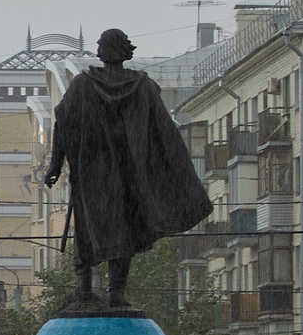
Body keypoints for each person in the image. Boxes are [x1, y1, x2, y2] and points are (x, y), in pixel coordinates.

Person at [39, 27, 212, 311]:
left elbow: (63, 123)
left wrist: (56, 164)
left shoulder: (83, 85)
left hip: (93, 175)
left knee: (86, 228)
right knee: (124, 232)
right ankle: (115, 292)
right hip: (128, 175)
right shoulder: (142, 86)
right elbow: (165, 131)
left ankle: (84, 287)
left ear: (103, 51)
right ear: (125, 50)